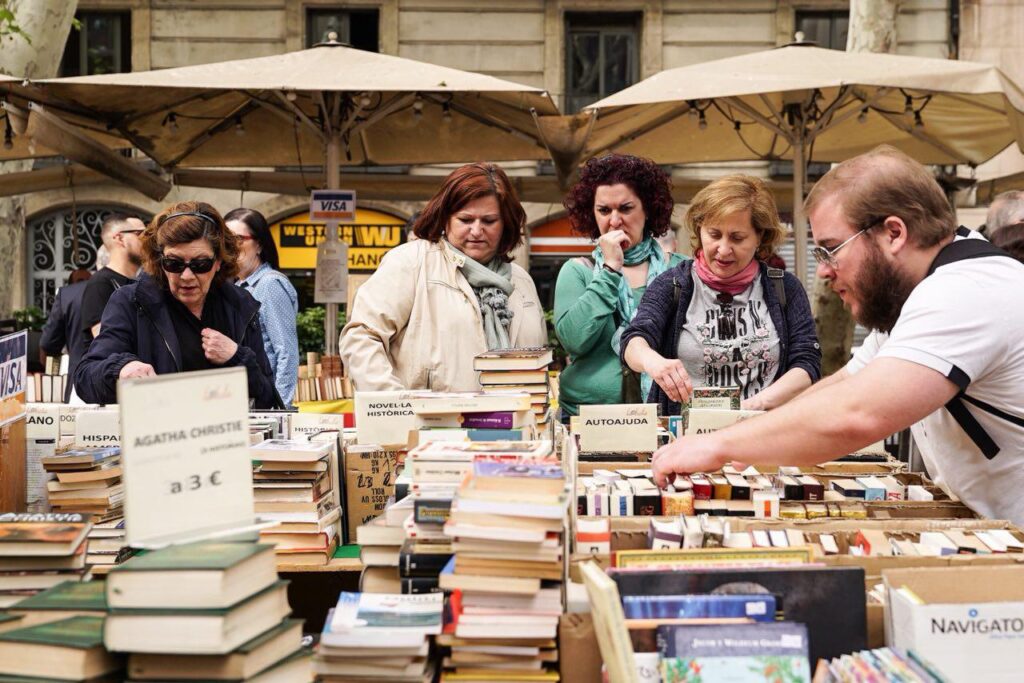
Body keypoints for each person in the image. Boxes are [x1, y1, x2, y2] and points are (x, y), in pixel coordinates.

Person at [650, 145, 1024, 526]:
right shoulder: (926, 291)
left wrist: (718, 445)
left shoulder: (964, 291)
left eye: (830, 250)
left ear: (893, 233)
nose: (825, 272)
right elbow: (847, 384)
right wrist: (748, 437)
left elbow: (857, 413)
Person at [622, 175, 820, 414]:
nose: (724, 250)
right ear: (700, 230)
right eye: (714, 235)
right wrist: (653, 362)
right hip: (688, 439)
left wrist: (753, 405)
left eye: (737, 238)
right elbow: (634, 340)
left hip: (763, 434)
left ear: (760, 237)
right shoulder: (673, 283)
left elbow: (807, 363)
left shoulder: (785, 288)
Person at [340, 163, 546, 392]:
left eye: (489, 221)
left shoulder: (522, 280)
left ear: (506, 223)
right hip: (428, 424)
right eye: (466, 220)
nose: (477, 231)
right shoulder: (411, 262)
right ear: (445, 218)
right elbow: (362, 336)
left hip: (514, 422)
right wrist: (397, 407)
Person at [75, 201, 278, 408]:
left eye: (200, 265)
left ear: (218, 262)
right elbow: (85, 378)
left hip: (224, 436)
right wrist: (121, 369)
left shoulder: (240, 305)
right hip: (157, 435)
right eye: (174, 264)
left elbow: (267, 397)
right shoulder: (131, 302)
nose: (186, 276)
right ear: (160, 261)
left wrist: (237, 357)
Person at [553, 154, 686, 418]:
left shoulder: (680, 270)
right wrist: (609, 270)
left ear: (647, 209)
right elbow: (573, 342)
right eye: (604, 210)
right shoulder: (579, 271)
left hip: (666, 414)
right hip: (587, 417)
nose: (614, 221)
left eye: (625, 208)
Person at [225, 208, 300, 406]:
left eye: (239, 239)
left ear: (258, 245)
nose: (231, 246)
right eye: (226, 239)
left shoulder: (269, 284)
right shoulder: (236, 286)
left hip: (266, 407)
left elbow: (287, 352)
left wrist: (280, 409)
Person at [80, 214, 145, 345]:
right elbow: (106, 341)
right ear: (120, 238)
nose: (147, 240)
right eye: (140, 234)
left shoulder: (141, 281)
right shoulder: (100, 284)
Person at [39, 269, 92, 401]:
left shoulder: (67, 295)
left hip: (79, 382)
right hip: (122, 381)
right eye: (81, 281)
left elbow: (49, 343)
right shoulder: (126, 288)